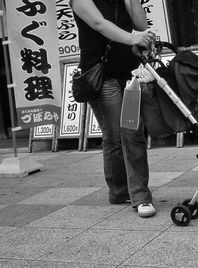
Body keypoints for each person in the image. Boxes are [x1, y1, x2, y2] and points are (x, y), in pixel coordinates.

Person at [70, 0, 156, 217]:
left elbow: (140, 24)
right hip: (101, 76)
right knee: (117, 135)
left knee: (132, 132)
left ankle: (136, 194)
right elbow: (99, 23)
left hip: (129, 73)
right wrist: (131, 38)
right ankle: (121, 191)